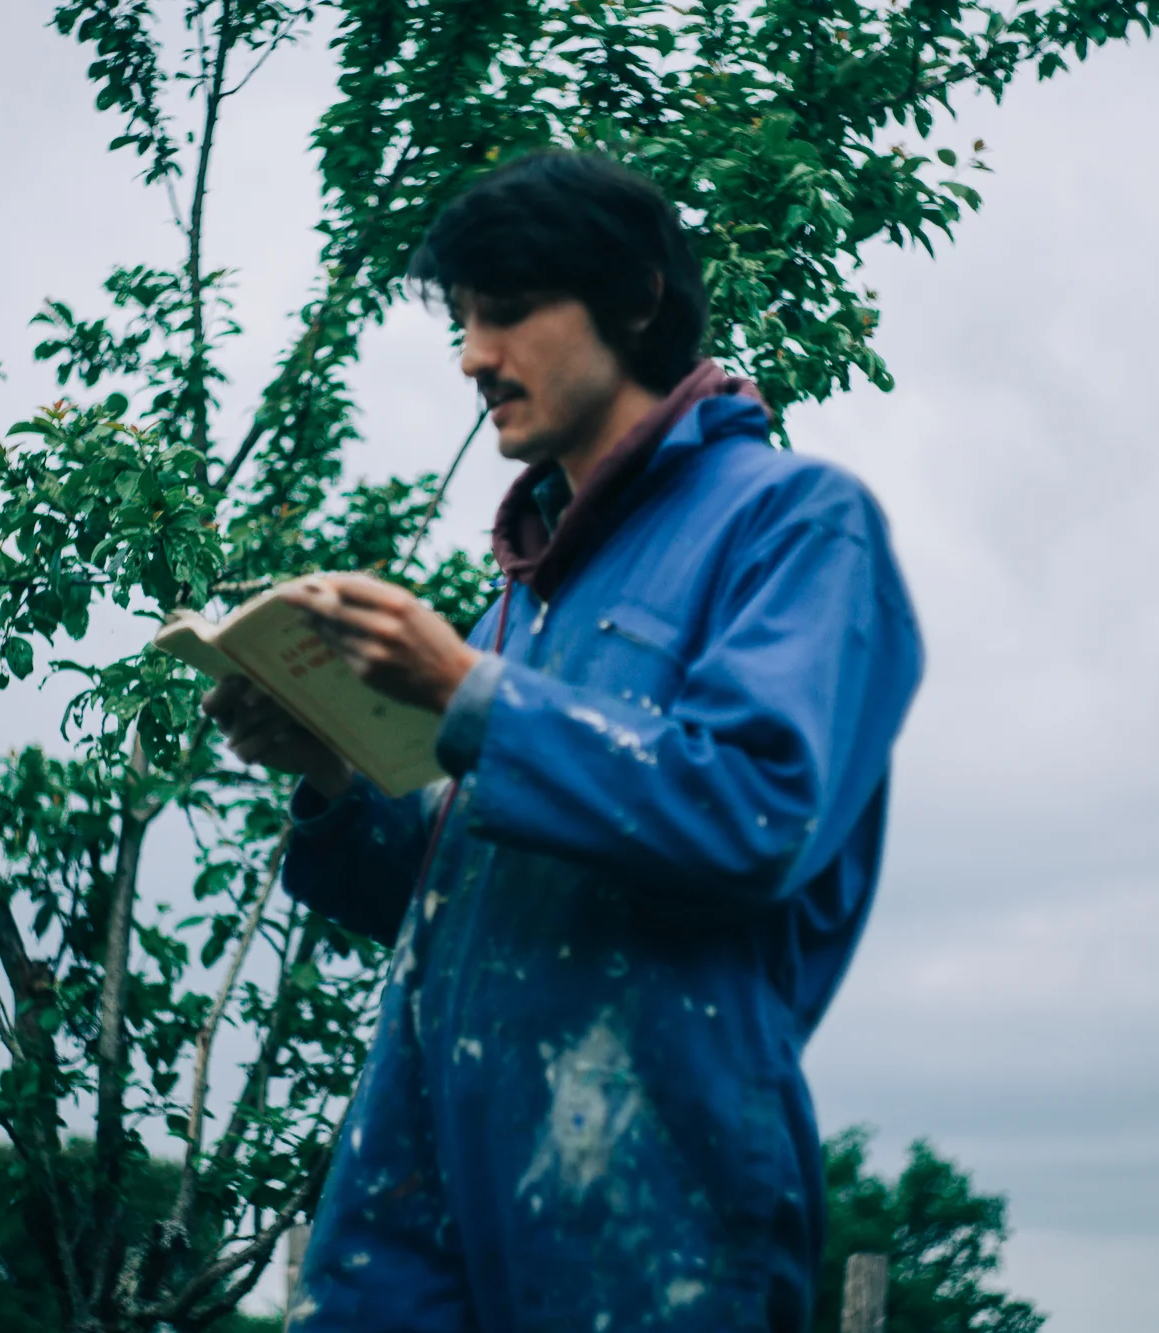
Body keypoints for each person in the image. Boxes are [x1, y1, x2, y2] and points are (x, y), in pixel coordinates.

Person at [202, 152, 923, 1332]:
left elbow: (755, 809)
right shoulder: (519, 602)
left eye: (504, 309)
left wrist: (465, 693)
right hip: (412, 1213)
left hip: (652, 1219)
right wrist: (327, 762)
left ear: (635, 299)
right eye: (461, 320)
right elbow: (453, 897)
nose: (471, 355)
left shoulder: (796, 525)